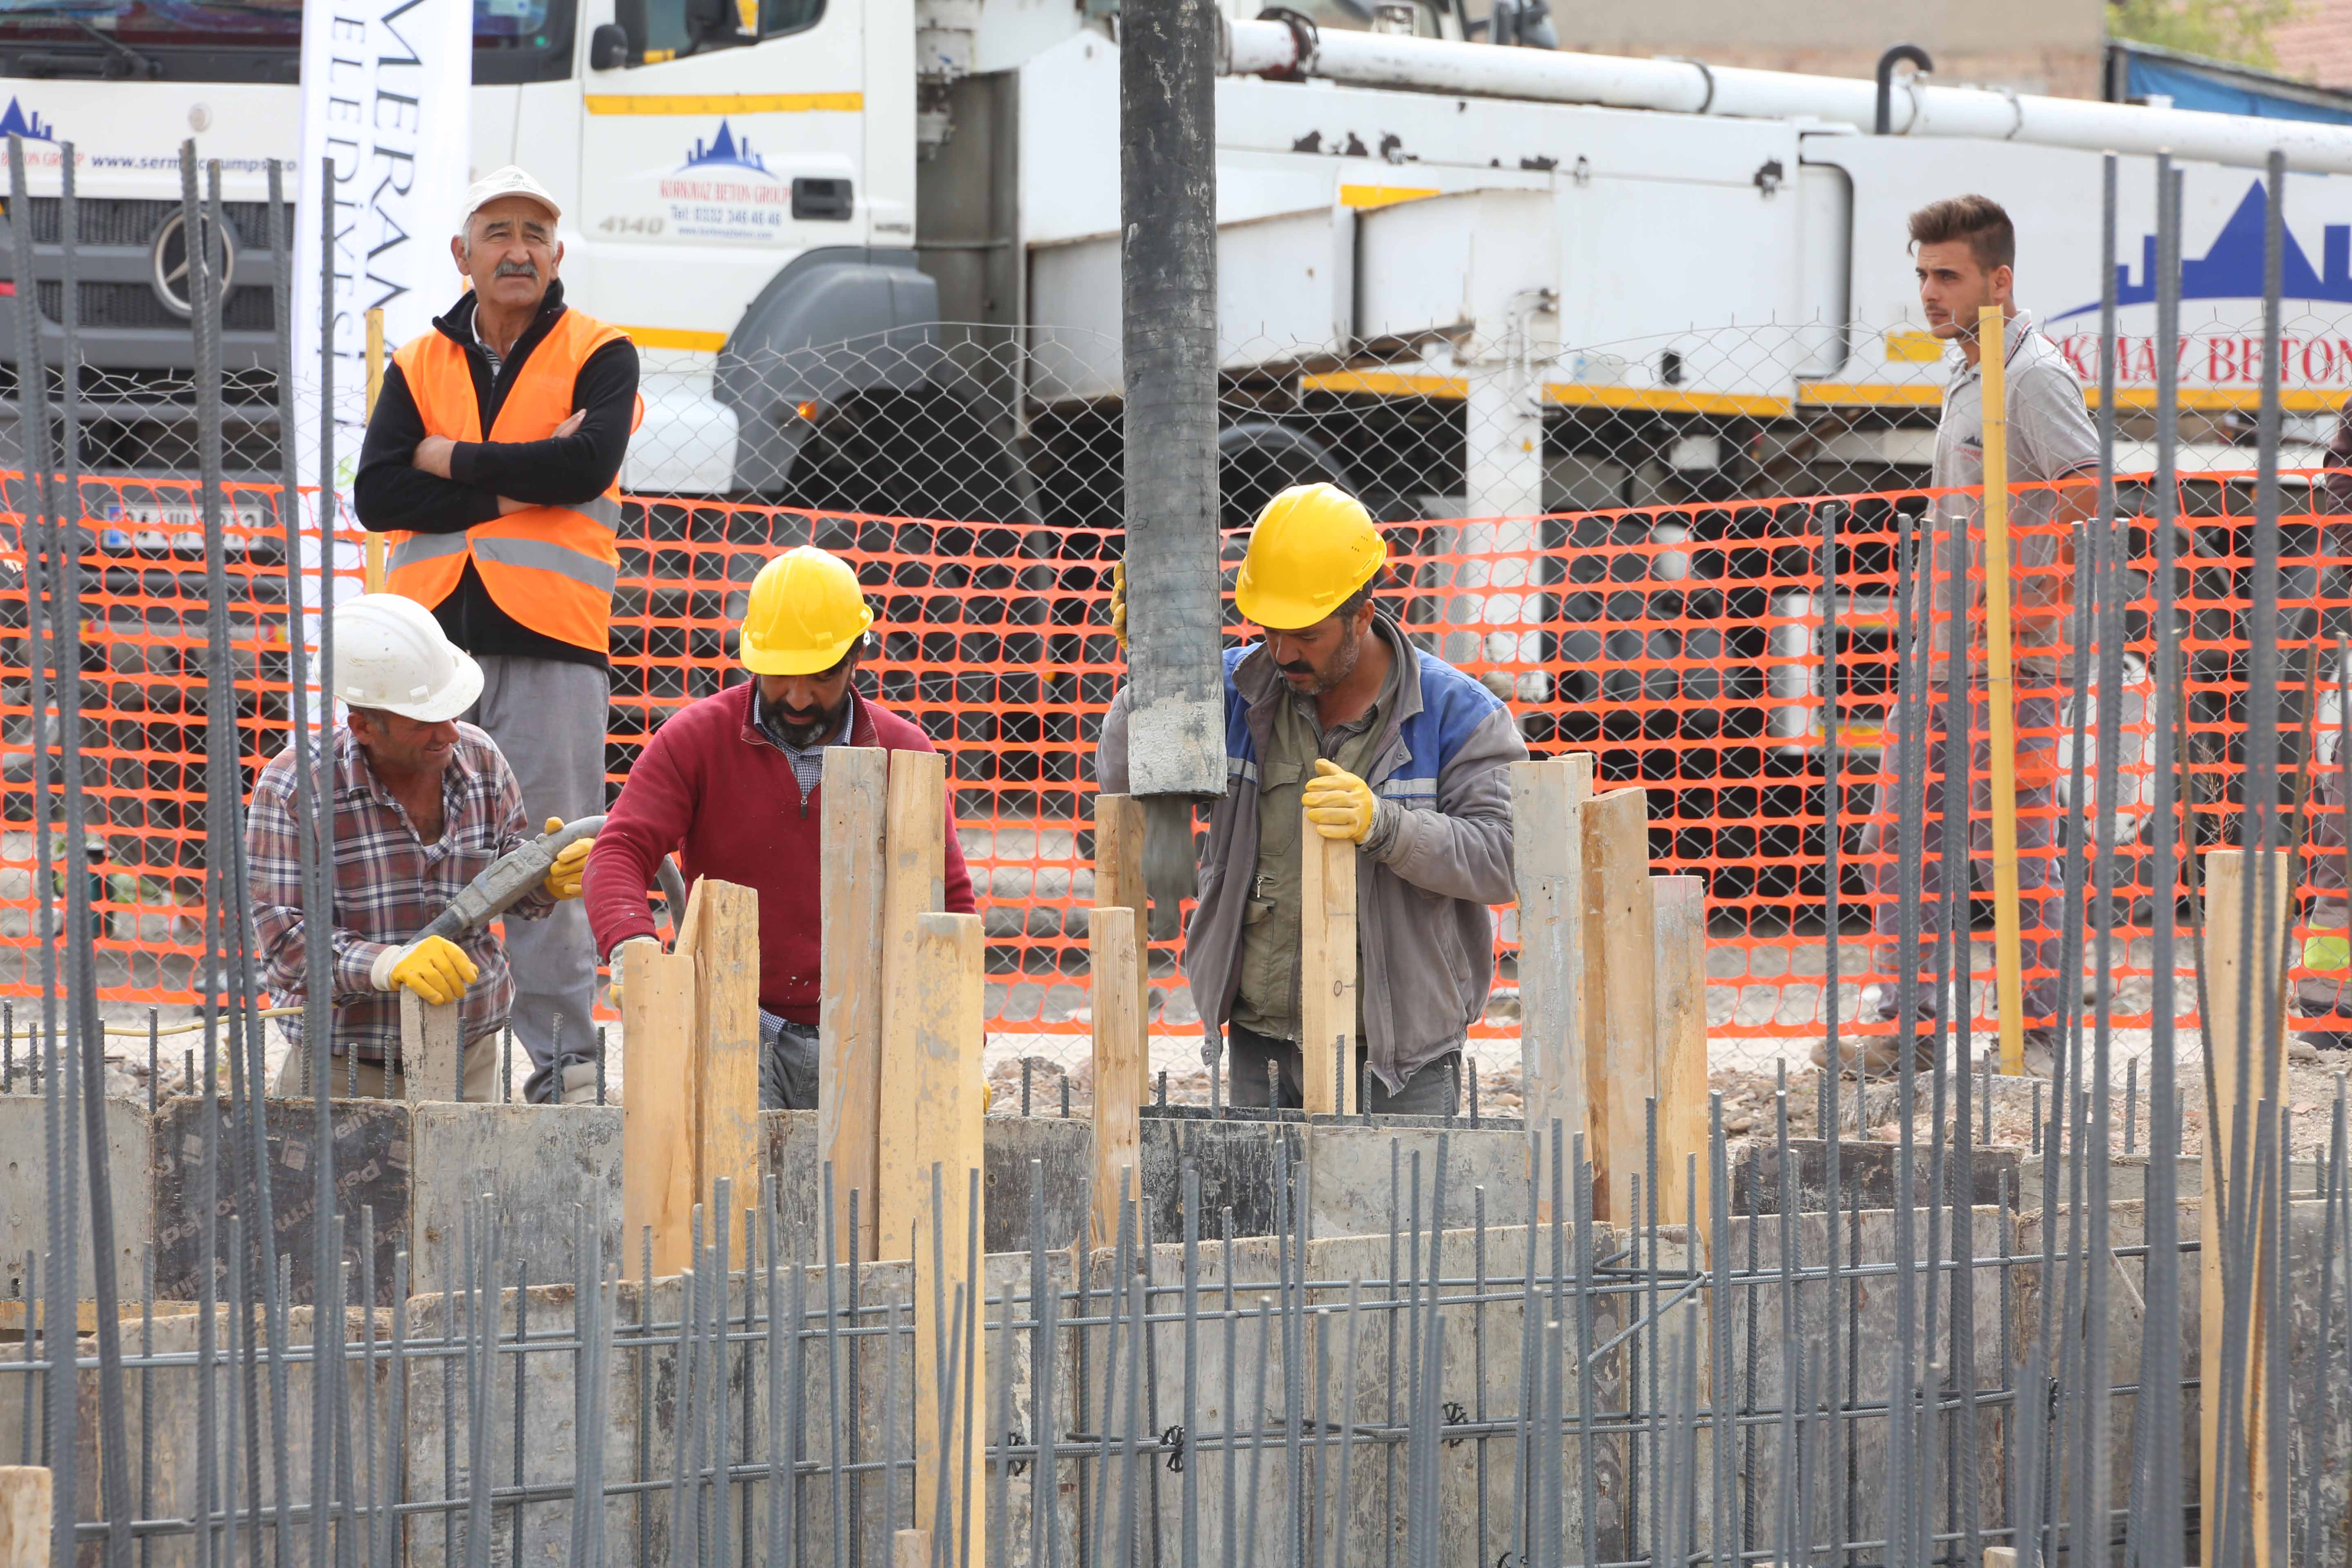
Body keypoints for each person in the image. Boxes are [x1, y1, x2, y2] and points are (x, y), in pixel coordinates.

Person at [1097, 483, 1527, 1113]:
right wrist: (1153, 677)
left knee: (1398, 1214)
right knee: (1266, 1212)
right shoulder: (1237, 690)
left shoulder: (1457, 714)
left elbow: (1508, 858)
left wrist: (1388, 828)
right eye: (1271, 630)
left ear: (1361, 615)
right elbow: (1123, 776)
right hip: (1260, 1039)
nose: (1283, 651)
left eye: (1307, 634)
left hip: (1398, 1059)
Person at [354, 164, 640, 1093]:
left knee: (549, 858)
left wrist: (448, 465)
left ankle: (563, 1067)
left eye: (534, 232)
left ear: (557, 253)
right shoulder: (417, 363)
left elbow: (586, 465)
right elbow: (378, 492)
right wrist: (516, 481)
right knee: (410, 850)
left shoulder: (601, 349)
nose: (516, 249)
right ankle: (419, 1053)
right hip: (425, 656)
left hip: (553, 646)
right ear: (461, 255)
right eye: (497, 231)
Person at [1839, 194, 2100, 1079]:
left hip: (2012, 655)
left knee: (2014, 845)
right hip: (1950, 652)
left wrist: (2022, 607)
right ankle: (1907, 1027)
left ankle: (2036, 1031)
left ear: (2000, 279)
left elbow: (2088, 490)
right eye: (1921, 273)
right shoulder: (1969, 365)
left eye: (1946, 275)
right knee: (1896, 837)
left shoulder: (2032, 375)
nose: (1929, 291)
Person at [581, 546, 976, 1109]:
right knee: (730, 1193)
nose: (796, 697)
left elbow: (950, 903)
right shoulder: (697, 739)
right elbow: (621, 848)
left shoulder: (902, 754)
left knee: (855, 1197)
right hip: (732, 1022)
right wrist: (632, 948)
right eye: (779, 676)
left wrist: (959, 1041)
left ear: (856, 658)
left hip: (866, 1028)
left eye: (819, 677)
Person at [249, 595, 595, 1101]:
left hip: (468, 1057)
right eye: (424, 722)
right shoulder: (294, 789)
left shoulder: (480, 759)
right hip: (347, 1070)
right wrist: (387, 965)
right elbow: (285, 948)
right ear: (364, 727)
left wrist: (544, 880)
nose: (450, 732)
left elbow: (501, 883)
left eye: (451, 713)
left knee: (467, 1183)